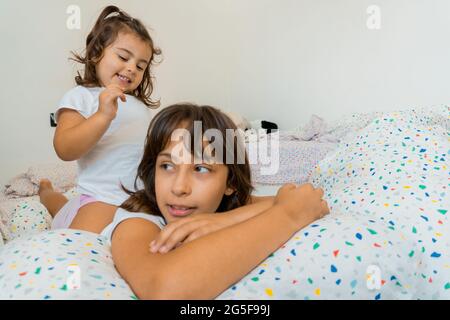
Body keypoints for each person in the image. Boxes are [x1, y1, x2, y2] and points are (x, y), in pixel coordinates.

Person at [40, 103, 330, 299]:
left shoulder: (228, 203)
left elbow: (298, 197)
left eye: (201, 169)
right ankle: (45, 189)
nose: (179, 187)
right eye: (167, 166)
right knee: (58, 206)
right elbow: (163, 287)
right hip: (78, 213)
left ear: (230, 183)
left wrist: (220, 220)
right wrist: (286, 216)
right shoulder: (137, 220)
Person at [39, 5, 162, 228]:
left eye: (140, 66)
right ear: (96, 54)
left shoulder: (138, 106)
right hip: (101, 197)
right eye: (124, 57)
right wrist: (102, 116)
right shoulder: (82, 97)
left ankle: (57, 200)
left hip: (139, 200)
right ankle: (45, 191)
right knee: (65, 217)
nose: (132, 68)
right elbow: (65, 148)